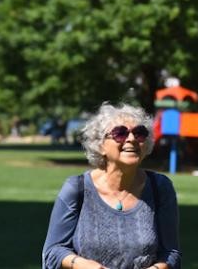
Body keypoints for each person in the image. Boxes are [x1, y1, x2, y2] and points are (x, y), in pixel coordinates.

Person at [42, 103, 181, 269]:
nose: (131, 139)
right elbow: (53, 251)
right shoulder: (77, 188)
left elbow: (171, 252)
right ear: (100, 145)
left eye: (139, 133)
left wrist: (157, 268)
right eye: (120, 133)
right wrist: (82, 265)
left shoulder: (160, 187)